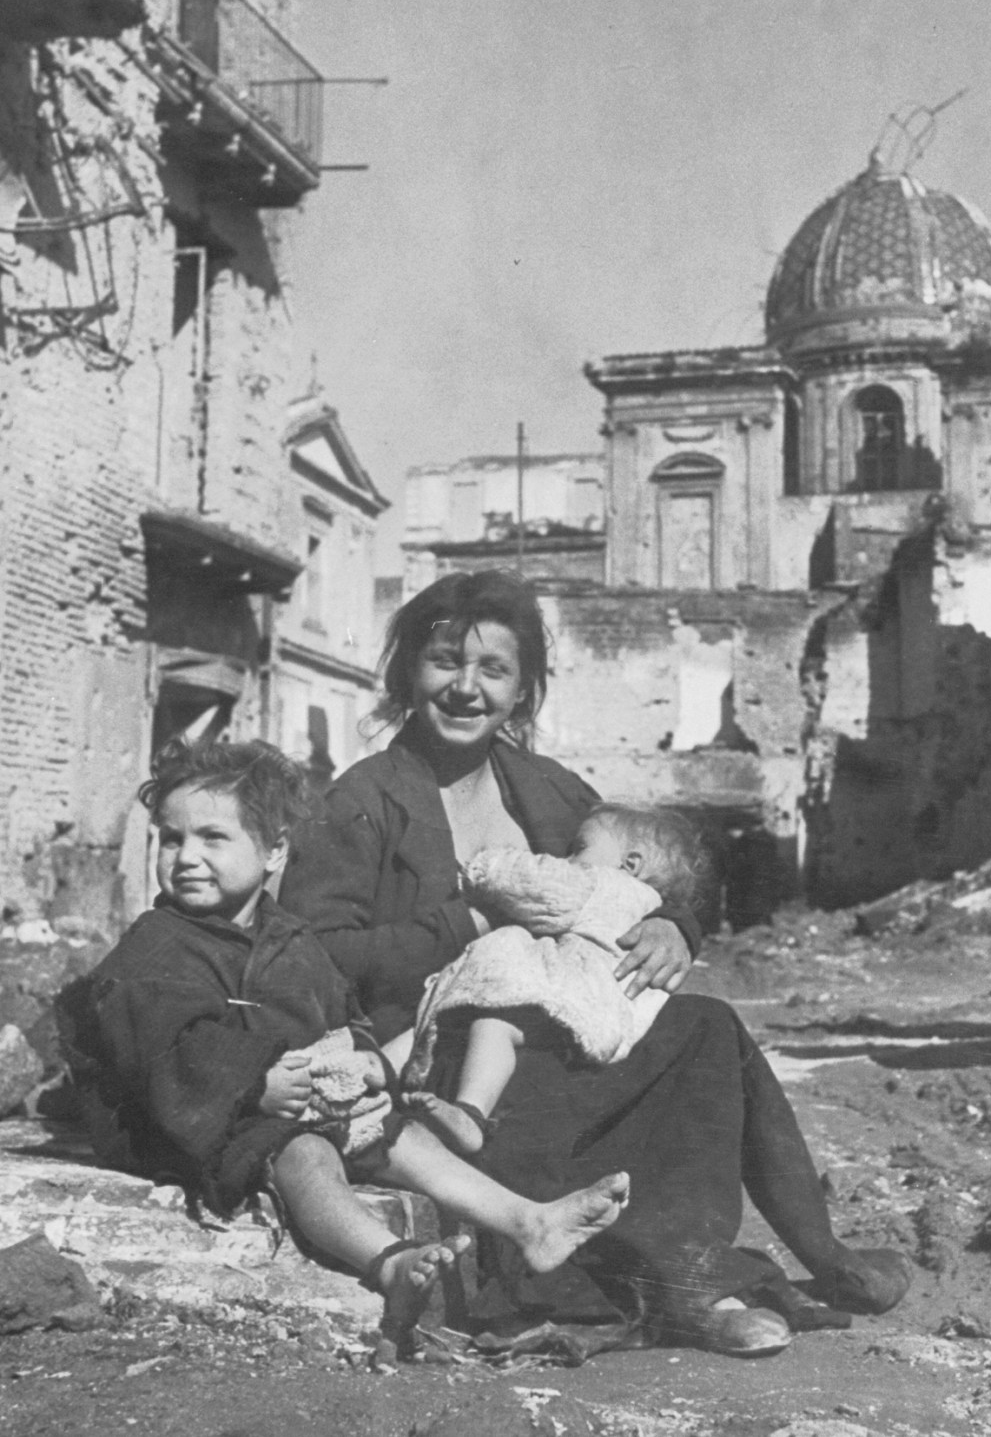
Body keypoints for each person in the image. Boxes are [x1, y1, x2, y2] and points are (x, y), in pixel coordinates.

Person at [281, 570, 910, 1356]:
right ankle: (670, 1291)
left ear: (523, 689)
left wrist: (675, 926)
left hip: (549, 1031)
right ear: (409, 670)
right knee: (537, 1089)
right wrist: (469, 920)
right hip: (439, 1063)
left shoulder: (542, 787)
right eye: (445, 662)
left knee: (705, 1028)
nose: (466, 688)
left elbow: (640, 867)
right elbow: (314, 955)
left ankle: (794, 1258)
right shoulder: (362, 800)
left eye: (494, 670)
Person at [61, 740, 631, 1362]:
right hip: (182, 1120)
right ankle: (387, 1262)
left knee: (395, 1131)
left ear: (274, 849)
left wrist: (360, 1059)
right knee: (302, 1152)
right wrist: (253, 1084)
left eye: (212, 839)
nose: (186, 858)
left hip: (286, 1097)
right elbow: (167, 1048)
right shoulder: (157, 948)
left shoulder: (288, 937)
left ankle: (529, 1222)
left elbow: (336, 1009)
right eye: (171, 840)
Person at [395, 804, 721, 1147]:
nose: (566, 860)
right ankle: (385, 1068)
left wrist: (480, 868)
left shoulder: (601, 886)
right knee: (461, 1008)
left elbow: (533, 882)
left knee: (492, 1024)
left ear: (630, 864)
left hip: (574, 1008)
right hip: (598, 1017)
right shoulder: (642, 906)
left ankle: (471, 1112)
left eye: (578, 849)